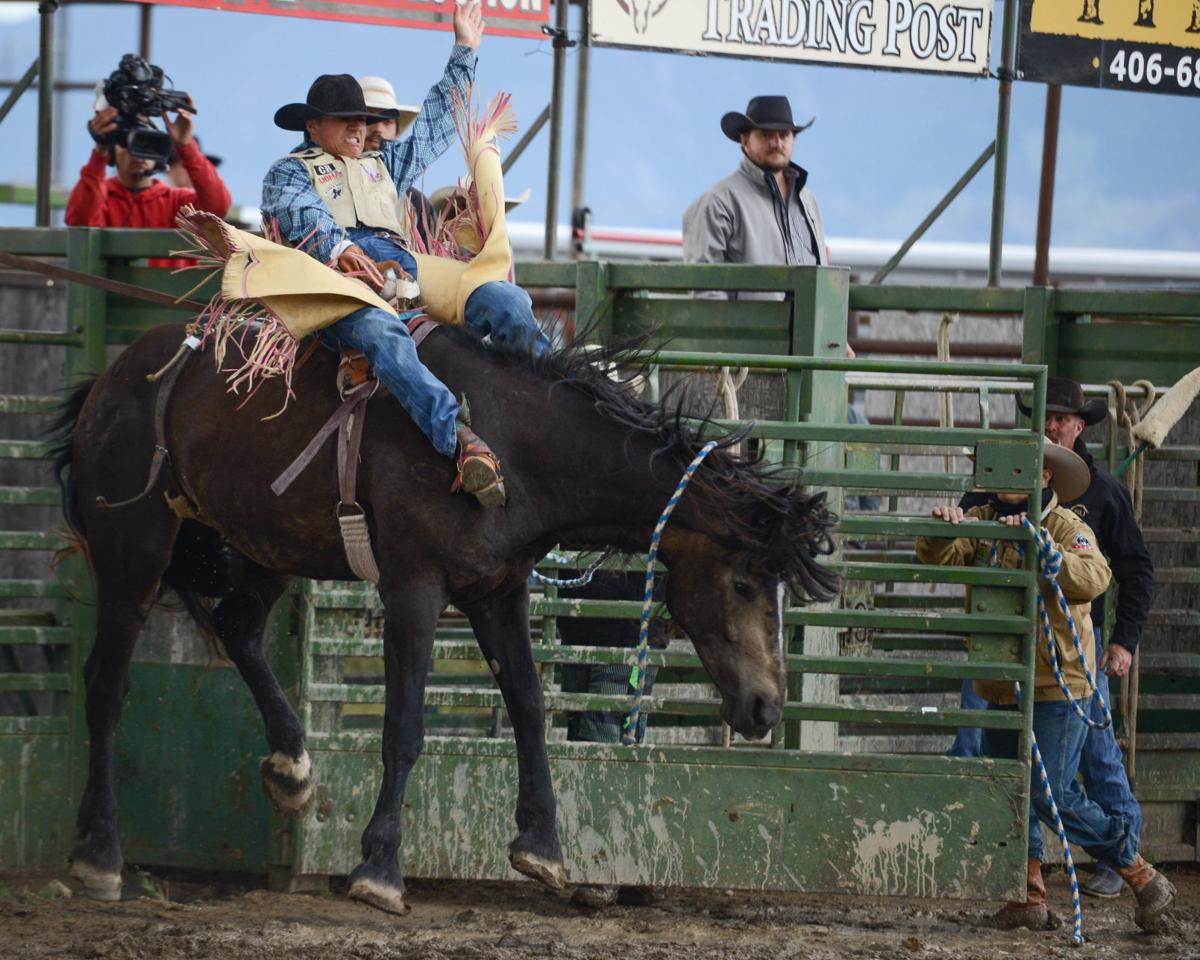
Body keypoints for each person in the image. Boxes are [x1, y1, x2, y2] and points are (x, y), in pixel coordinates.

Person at [916, 441, 1174, 934]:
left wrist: (1047, 552)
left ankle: (1137, 870)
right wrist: (942, 526)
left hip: (1058, 686)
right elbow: (940, 555)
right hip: (1001, 683)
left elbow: (1094, 576)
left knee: (1048, 791)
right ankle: (1028, 896)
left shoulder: (1067, 528)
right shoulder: (981, 523)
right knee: (1013, 791)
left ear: (1045, 478)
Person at [949, 377, 1153, 899]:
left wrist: (1123, 640)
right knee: (1007, 767)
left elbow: (1124, 569)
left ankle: (1121, 853)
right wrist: (953, 523)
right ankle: (1031, 877)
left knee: (1089, 762)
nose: (1054, 423)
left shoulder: (1097, 496)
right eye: (1048, 416)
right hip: (1002, 643)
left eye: (1063, 418)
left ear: (1078, 426)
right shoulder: (988, 499)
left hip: (1074, 646)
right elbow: (954, 539)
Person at [261, 0, 547, 351]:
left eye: (366, 119)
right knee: (386, 330)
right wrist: (344, 247)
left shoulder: (387, 166)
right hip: (340, 276)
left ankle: (541, 385)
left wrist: (465, 50)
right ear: (315, 126)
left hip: (405, 267)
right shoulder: (293, 170)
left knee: (508, 301)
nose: (364, 127)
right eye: (349, 117)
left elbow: (434, 126)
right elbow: (302, 215)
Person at [683, 95, 827, 294]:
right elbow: (704, 291)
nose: (776, 143)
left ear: (793, 140)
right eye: (766, 135)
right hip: (747, 325)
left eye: (784, 134)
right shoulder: (718, 202)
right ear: (744, 141)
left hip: (809, 325)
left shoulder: (808, 200)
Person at [65, 99, 231, 230]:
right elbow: (80, 222)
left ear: (159, 152)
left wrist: (186, 145)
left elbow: (218, 208)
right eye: (126, 142)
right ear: (112, 151)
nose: (136, 152)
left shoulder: (177, 202)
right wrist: (100, 150)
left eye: (147, 141)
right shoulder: (101, 198)